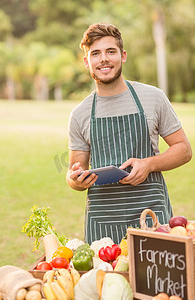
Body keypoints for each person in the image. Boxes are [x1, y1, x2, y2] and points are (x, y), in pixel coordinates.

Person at [66, 23, 192, 245]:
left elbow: (184, 150)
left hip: (151, 216)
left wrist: (149, 164)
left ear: (122, 56)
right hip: (102, 224)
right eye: (95, 53)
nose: (103, 59)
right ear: (87, 61)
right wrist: (74, 179)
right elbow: (75, 172)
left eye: (110, 51)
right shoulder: (80, 114)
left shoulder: (153, 98)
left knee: (155, 279)